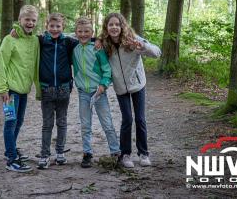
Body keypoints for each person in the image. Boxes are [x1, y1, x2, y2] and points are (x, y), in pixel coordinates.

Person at [99, 12, 161, 168]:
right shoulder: (105, 44)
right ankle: (125, 154)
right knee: (127, 120)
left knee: (140, 119)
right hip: (121, 88)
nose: (114, 27)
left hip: (138, 85)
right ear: (106, 27)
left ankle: (143, 154)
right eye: (110, 24)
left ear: (122, 26)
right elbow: (80, 36)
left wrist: (143, 47)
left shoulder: (132, 39)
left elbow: (157, 52)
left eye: (117, 24)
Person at [0, 5, 40, 173]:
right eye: (27, 19)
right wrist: (2, 89)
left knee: (19, 122)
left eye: (33, 20)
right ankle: (12, 160)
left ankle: (10, 150)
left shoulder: (34, 40)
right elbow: (0, 64)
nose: (30, 23)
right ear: (20, 20)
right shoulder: (9, 39)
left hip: (24, 91)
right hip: (10, 92)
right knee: (10, 123)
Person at [72, 17, 121, 168]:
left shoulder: (98, 49)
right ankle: (87, 153)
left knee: (107, 123)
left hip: (99, 93)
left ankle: (115, 152)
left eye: (87, 31)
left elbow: (107, 70)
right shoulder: (74, 49)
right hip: (83, 93)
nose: (83, 34)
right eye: (80, 32)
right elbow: (61, 34)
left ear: (92, 32)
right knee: (85, 125)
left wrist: (103, 85)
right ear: (75, 33)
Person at [36, 13, 78, 169]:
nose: (54, 29)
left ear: (63, 27)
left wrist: (98, 40)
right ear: (46, 26)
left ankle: (60, 153)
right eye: (51, 26)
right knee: (47, 124)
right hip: (46, 88)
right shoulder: (40, 41)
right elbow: (24, 37)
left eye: (58, 26)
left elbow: (85, 39)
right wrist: (15, 31)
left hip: (64, 88)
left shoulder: (68, 42)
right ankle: (44, 154)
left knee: (62, 122)